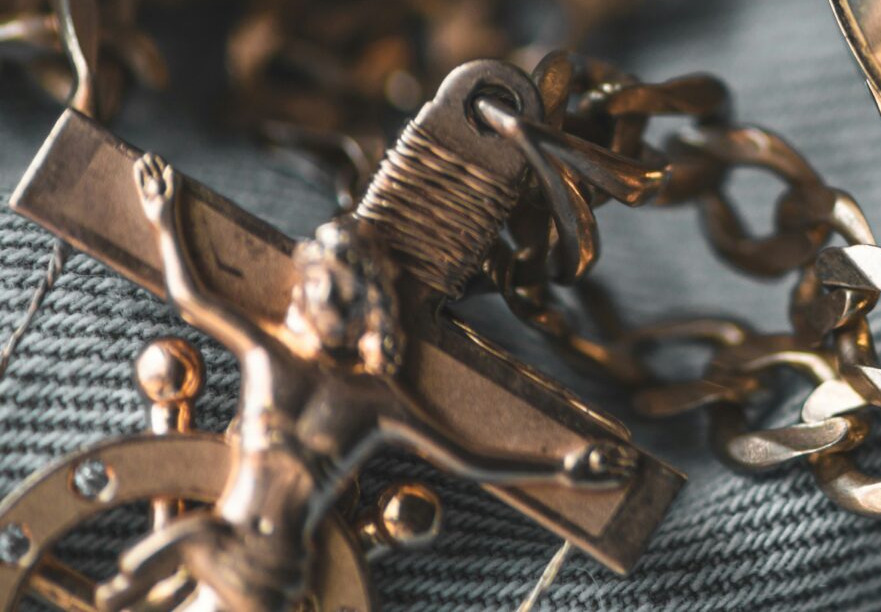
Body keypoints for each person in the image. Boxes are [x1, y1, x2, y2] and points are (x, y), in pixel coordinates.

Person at [99, 154, 637, 612]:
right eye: (315, 282)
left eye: (339, 289)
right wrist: (163, 219)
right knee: (149, 565)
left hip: (275, 569)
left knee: (169, 558)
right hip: (217, 536)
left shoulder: (377, 400)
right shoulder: (269, 355)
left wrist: (564, 468)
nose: (320, 297)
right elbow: (194, 300)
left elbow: (467, 457)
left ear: (367, 308)